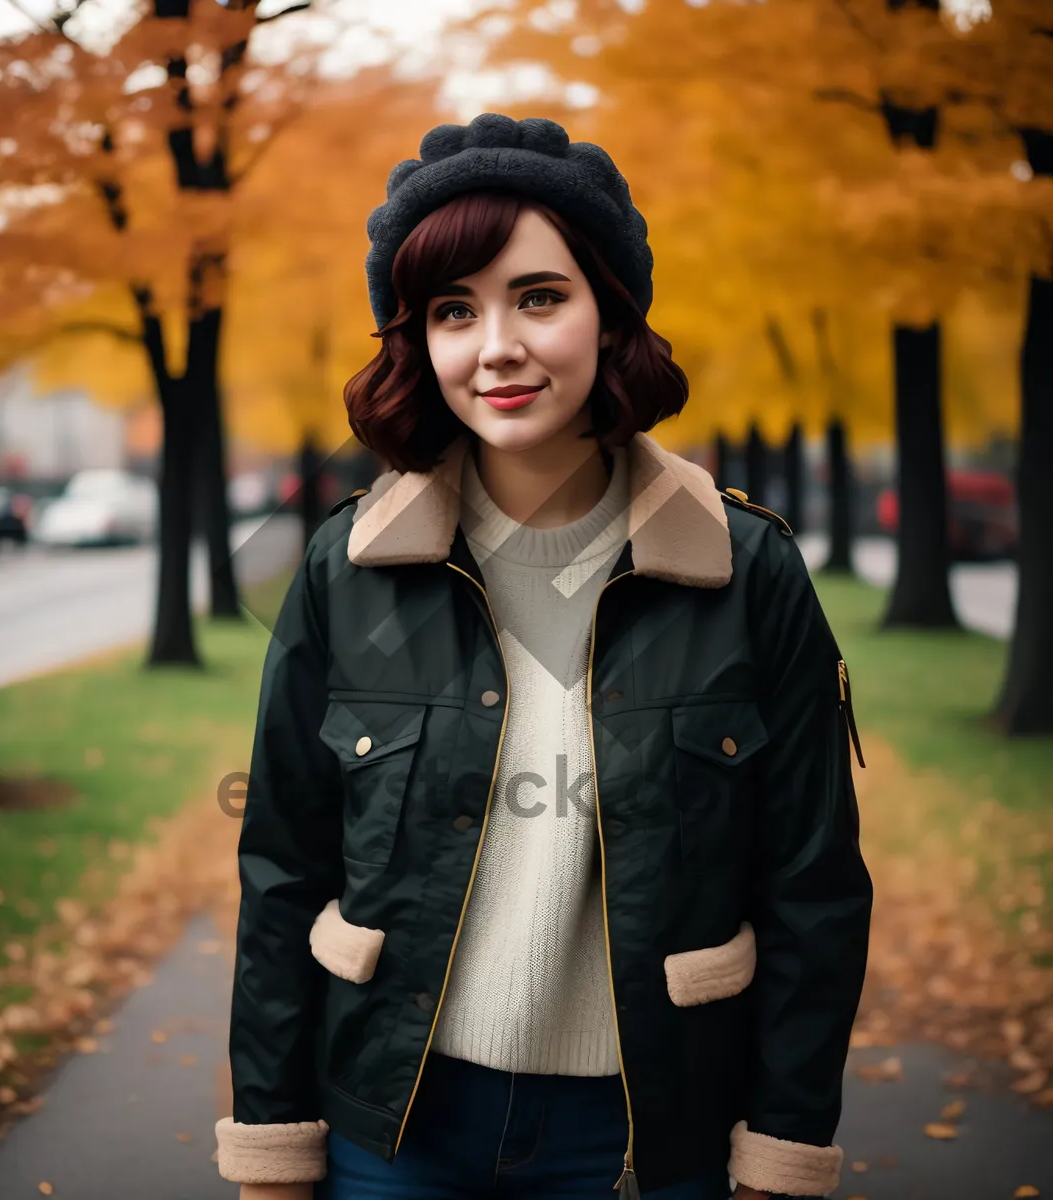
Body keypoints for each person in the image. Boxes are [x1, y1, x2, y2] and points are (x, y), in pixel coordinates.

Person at [214, 113, 872, 1200]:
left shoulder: (748, 571)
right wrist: (274, 1141)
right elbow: (284, 869)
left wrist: (781, 1151)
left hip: (645, 1137)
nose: (497, 347)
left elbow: (813, 890)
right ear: (418, 342)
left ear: (609, 314)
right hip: (391, 1127)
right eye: (453, 311)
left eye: (539, 296)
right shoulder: (350, 566)